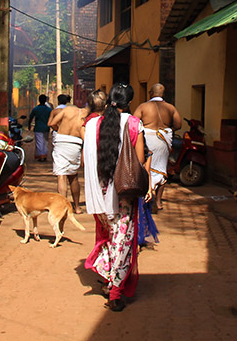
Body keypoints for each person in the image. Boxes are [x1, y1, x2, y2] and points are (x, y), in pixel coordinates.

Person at [83, 83, 151, 312]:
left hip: (99, 193)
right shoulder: (133, 124)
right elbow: (139, 163)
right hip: (123, 194)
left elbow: (87, 161)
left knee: (108, 237)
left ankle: (106, 275)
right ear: (129, 101)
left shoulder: (93, 124)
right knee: (122, 240)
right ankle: (115, 291)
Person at [133, 83, 182, 212]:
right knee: (161, 169)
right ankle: (159, 201)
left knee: (145, 167)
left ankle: (145, 196)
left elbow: (134, 123)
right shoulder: (170, 108)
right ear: (163, 94)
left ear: (150, 93)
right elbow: (178, 124)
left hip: (147, 138)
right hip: (163, 140)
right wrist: (166, 130)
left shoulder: (143, 107)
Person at [48, 94, 86, 213]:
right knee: (73, 176)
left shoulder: (66, 111)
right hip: (75, 143)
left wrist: (58, 129)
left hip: (61, 141)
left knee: (61, 176)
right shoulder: (83, 114)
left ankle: (63, 207)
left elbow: (51, 123)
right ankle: (77, 207)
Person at [27, 95, 53, 162]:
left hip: (38, 127)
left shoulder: (36, 109)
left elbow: (31, 118)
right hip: (46, 128)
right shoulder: (49, 110)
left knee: (39, 143)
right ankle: (44, 156)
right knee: (45, 142)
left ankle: (40, 156)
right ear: (45, 100)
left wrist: (29, 125)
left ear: (39, 100)